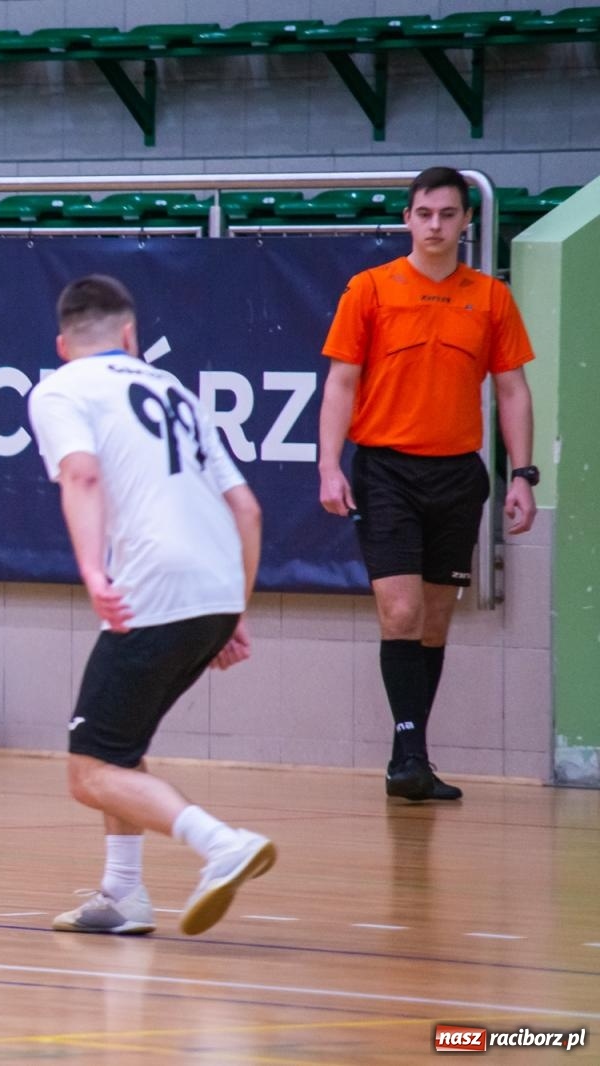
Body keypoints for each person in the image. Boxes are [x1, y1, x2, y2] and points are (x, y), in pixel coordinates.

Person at [27, 274, 273, 937]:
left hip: (154, 588)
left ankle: (221, 843)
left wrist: (90, 568)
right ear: (130, 336)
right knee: (119, 746)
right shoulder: (176, 390)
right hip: (217, 586)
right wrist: (233, 610)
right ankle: (122, 894)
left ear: (62, 343)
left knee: (89, 772)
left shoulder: (59, 389)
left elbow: (81, 475)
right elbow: (246, 508)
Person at [317, 166, 537, 802]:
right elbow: (340, 382)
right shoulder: (371, 289)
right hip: (386, 469)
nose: (436, 225)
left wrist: (522, 473)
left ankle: (406, 757)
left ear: (466, 221)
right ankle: (411, 757)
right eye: (424, 213)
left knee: (435, 621)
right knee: (402, 610)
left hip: (457, 472)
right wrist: (329, 463)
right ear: (407, 219)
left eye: (448, 214)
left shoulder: (490, 298)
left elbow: (513, 389)